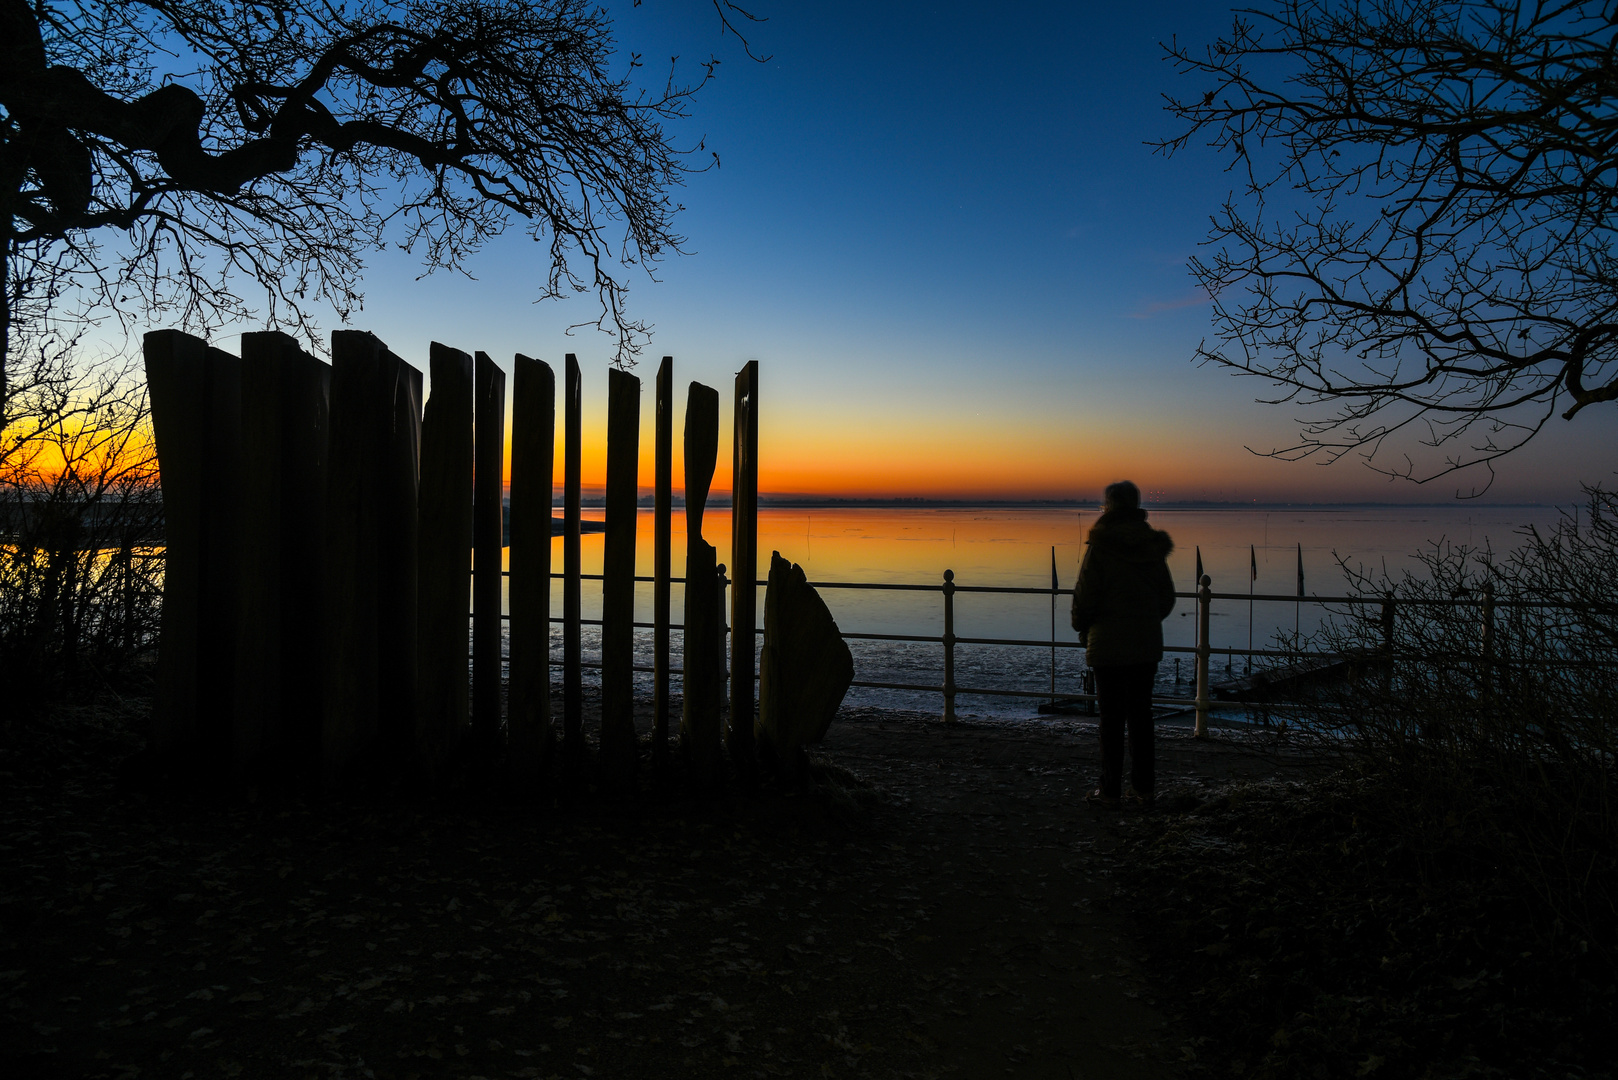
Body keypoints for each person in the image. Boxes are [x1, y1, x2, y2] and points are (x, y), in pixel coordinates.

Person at [1071, 481, 1176, 808]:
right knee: (1142, 719)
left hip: (1107, 646)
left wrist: (1082, 626)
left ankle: (1111, 790)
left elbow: (1084, 598)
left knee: (1111, 721)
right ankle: (1144, 789)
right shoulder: (1152, 547)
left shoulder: (1100, 547)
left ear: (1109, 507)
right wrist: (1145, 620)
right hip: (1145, 646)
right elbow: (1167, 598)